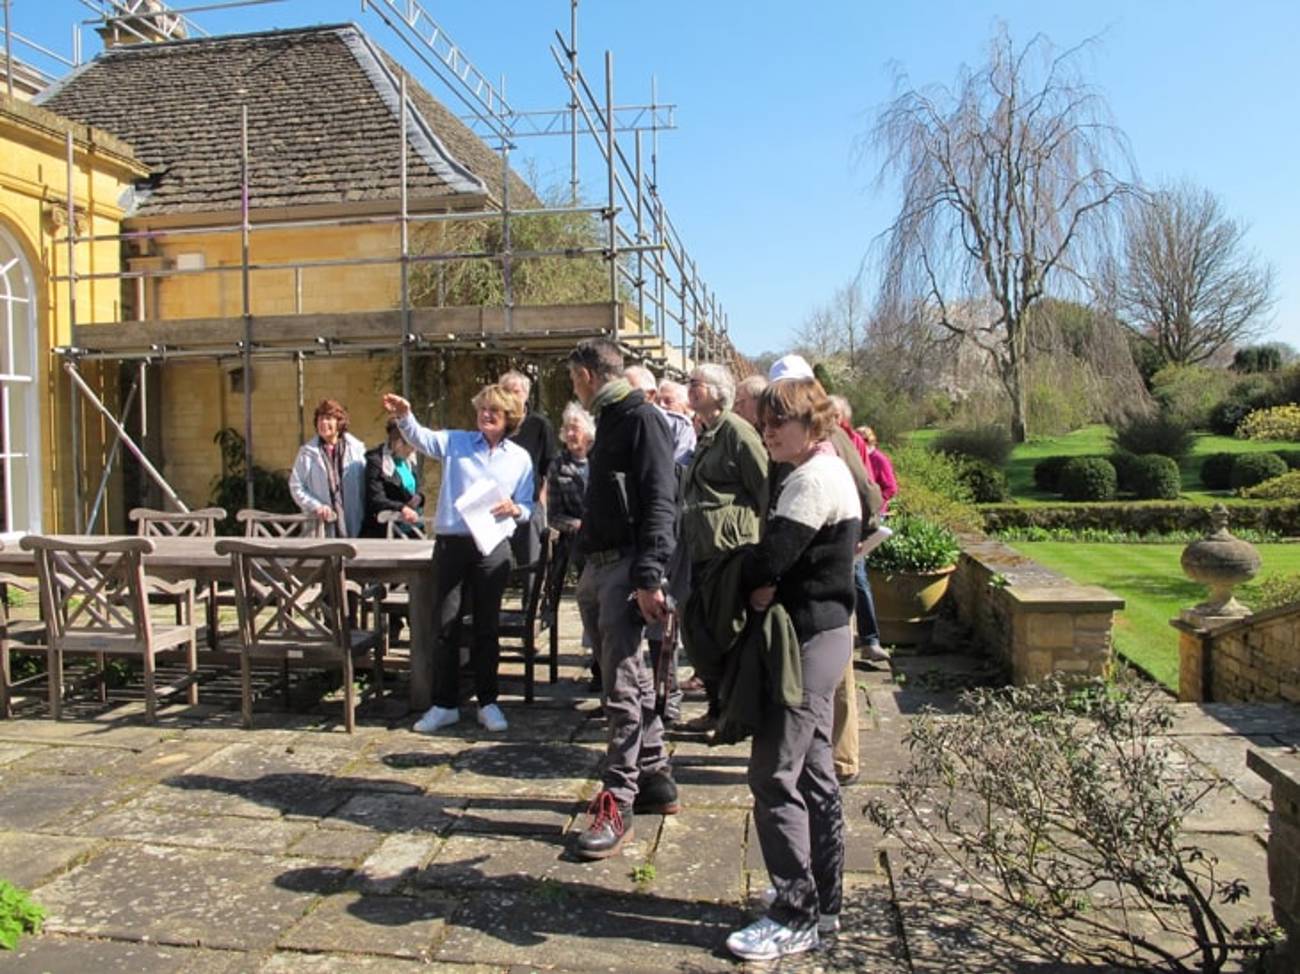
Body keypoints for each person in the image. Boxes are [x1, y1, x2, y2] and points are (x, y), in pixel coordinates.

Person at [726, 375, 859, 962]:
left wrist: (752, 579)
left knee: (773, 774)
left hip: (807, 642)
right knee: (814, 773)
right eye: (765, 421)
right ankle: (824, 902)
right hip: (825, 634)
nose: (767, 431)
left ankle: (795, 913)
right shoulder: (825, 468)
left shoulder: (811, 479)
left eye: (779, 422)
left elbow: (770, 559)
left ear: (812, 423)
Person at [567, 337, 678, 860]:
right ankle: (654, 777)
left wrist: (649, 575)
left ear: (587, 375)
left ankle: (619, 802)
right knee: (628, 678)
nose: (574, 388)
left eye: (574, 379)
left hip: (626, 572)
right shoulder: (610, 420)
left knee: (622, 690)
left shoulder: (641, 419)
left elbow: (661, 501)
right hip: (600, 567)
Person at [381, 385, 534, 735]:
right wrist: (405, 415)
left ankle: (488, 702)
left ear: (509, 417)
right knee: (445, 625)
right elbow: (422, 438)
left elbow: (528, 505)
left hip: (492, 546)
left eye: (494, 410)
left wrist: (516, 508)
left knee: (486, 628)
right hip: (452, 544)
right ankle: (444, 704)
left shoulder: (520, 458)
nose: (486, 415)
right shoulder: (456, 442)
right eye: (482, 409)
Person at [680, 363, 769, 731]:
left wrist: (762, 551)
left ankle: (730, 714)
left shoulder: (736, 431)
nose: (690, 387)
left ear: (718, 391)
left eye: (696, 383)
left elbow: (765, 488)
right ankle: (716, 708)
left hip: (728, 551)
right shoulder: (707, 432)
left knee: (725, 633)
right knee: (698, 632)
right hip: (702, 550)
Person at [547, 400, 597, 687]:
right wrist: (576, 525)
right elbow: (554, 515)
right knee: (590, 602)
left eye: (575, 427)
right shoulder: (558, 465)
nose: (569, 433)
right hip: (580, 544)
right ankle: (598, 662)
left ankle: (606, 664)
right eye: (566, 428)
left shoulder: (602, 457)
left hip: (609, 540)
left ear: (588, 430)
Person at [499, 369, 557, 571]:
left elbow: (550, 467)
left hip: (530, 503)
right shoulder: (496, 425)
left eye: (516, 391)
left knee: (532, 565)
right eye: (506, 391)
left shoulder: (540, 425)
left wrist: (542, 503)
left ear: (526, 394)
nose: (511, 397)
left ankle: (531, 593)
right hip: (499, 505)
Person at [289, 398, 367, 538]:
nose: (323, 423)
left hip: (354, 521)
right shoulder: (307, 452)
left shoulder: (356, 449)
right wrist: (316, 506)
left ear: (339, 422)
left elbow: (365, 484)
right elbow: (296, 486)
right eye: (320, 419)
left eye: (328, 418)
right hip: (320, 525)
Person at [361, 419, 424, 537]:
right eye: (412, 445)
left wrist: (418, 498)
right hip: (386, 530)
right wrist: (402, 508)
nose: (415, 450)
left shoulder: (410, 460)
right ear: (399, 443)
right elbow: (376, 499)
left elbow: (417, 488)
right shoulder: (376, 461)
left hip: (413, 527)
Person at [626, 365, 696, 465]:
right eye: (657, 401)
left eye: (668, 401)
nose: (661, 405)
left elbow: (679, 464)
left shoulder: (681, 427)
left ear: (686, 406)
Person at [857, 425, 898, 514]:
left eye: (862, 440)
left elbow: (891, 488)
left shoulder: (879, 459)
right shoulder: (856, 458)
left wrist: (876, 502)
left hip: (875, 512)